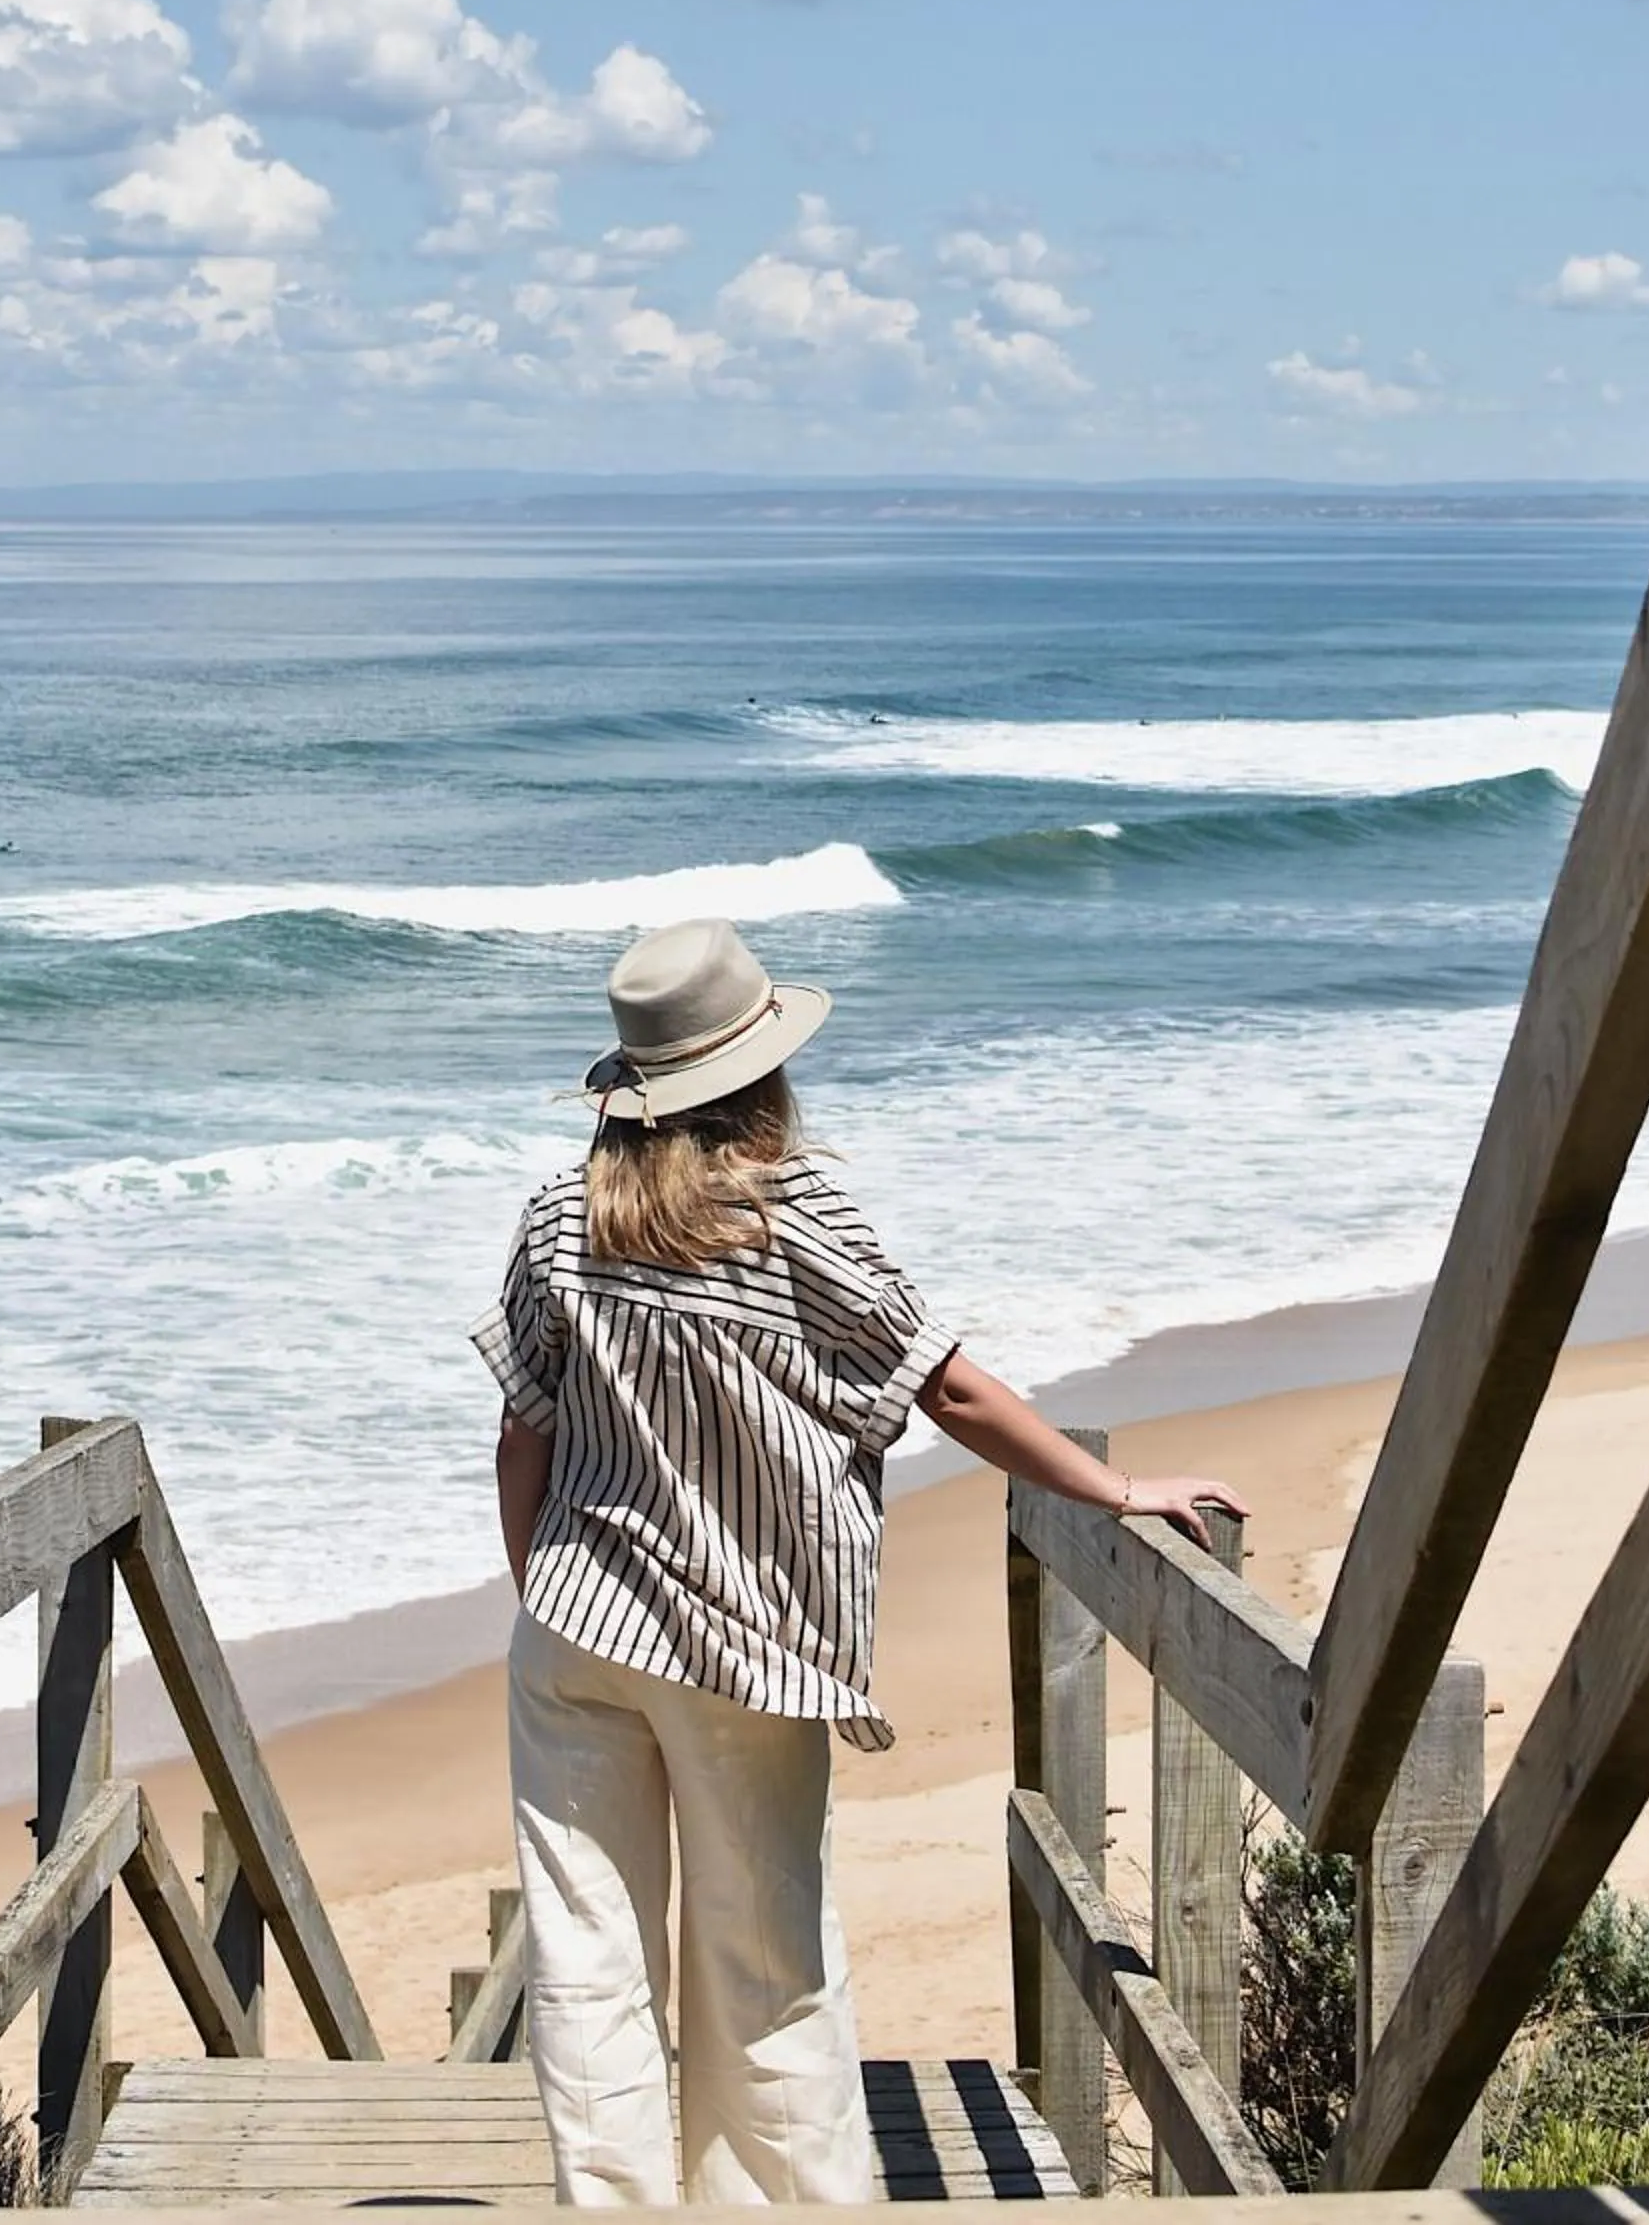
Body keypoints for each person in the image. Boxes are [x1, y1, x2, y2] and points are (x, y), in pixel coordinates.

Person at [473, 917, 1247, 2207]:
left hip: (571, 1625)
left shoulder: (559, 1214)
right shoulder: (786, 1218)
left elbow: (522, 1433)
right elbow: (948, 1390)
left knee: (586, 1954)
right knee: (765, 1959)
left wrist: (541, 1597)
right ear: (757, 1078)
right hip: (742, 1645)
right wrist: (1117, 1487)